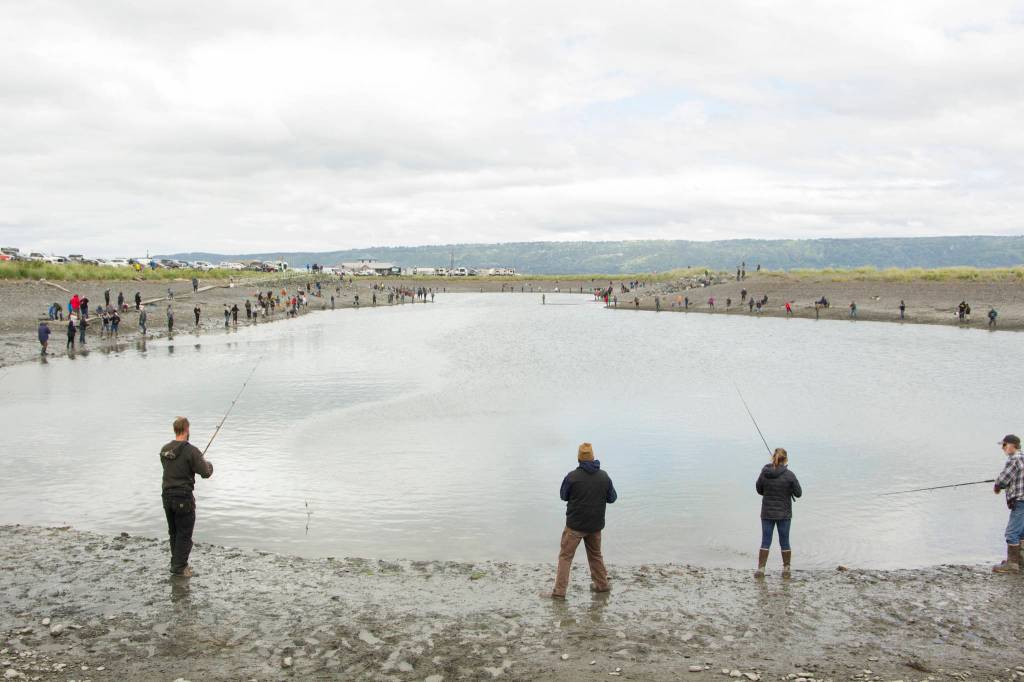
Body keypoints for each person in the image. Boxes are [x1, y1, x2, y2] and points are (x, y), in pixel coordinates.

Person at [547, 443, 617, 599]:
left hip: (574, 526)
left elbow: (563, 496)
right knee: (596, 555)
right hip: (595, 525)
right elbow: (612, 498)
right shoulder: (604, 476)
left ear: (579, 458)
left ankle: (559, 592)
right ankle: (602, 585)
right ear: (593, 457)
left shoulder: (572, 477)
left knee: (565, 557)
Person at [159, 417, 214, 577]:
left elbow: (172, 467)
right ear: (186, 429)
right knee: (184, 533)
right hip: (183, 497)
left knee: (174, 532)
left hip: (167, 496)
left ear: (175, 429)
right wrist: (208, 463)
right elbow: (205, 472)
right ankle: (179, 567)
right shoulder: (191, 451)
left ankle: (176, 563)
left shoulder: (164, 450)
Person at [755, 447, 802, 578]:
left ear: (773, 458)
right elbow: (799, 494)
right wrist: (790, 490)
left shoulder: (765, 473)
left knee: (765, 540)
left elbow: (759, 489)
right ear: (785, 459)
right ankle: (786, 569)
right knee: (784, 541)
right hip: (784, 514)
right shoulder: (789, 475)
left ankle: (761, 569)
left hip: (767, 513)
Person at [992, 435, 1024, 574]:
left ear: (1012, 445)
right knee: (1022, 532)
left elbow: (1004, 479)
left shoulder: (1014, 459)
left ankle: (1012, 564)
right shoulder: (1022, 456)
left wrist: (997, 485)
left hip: (1020, 499)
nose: (1003, 448)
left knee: (1011, 532)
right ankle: (1020, 560)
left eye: (1004, 445)